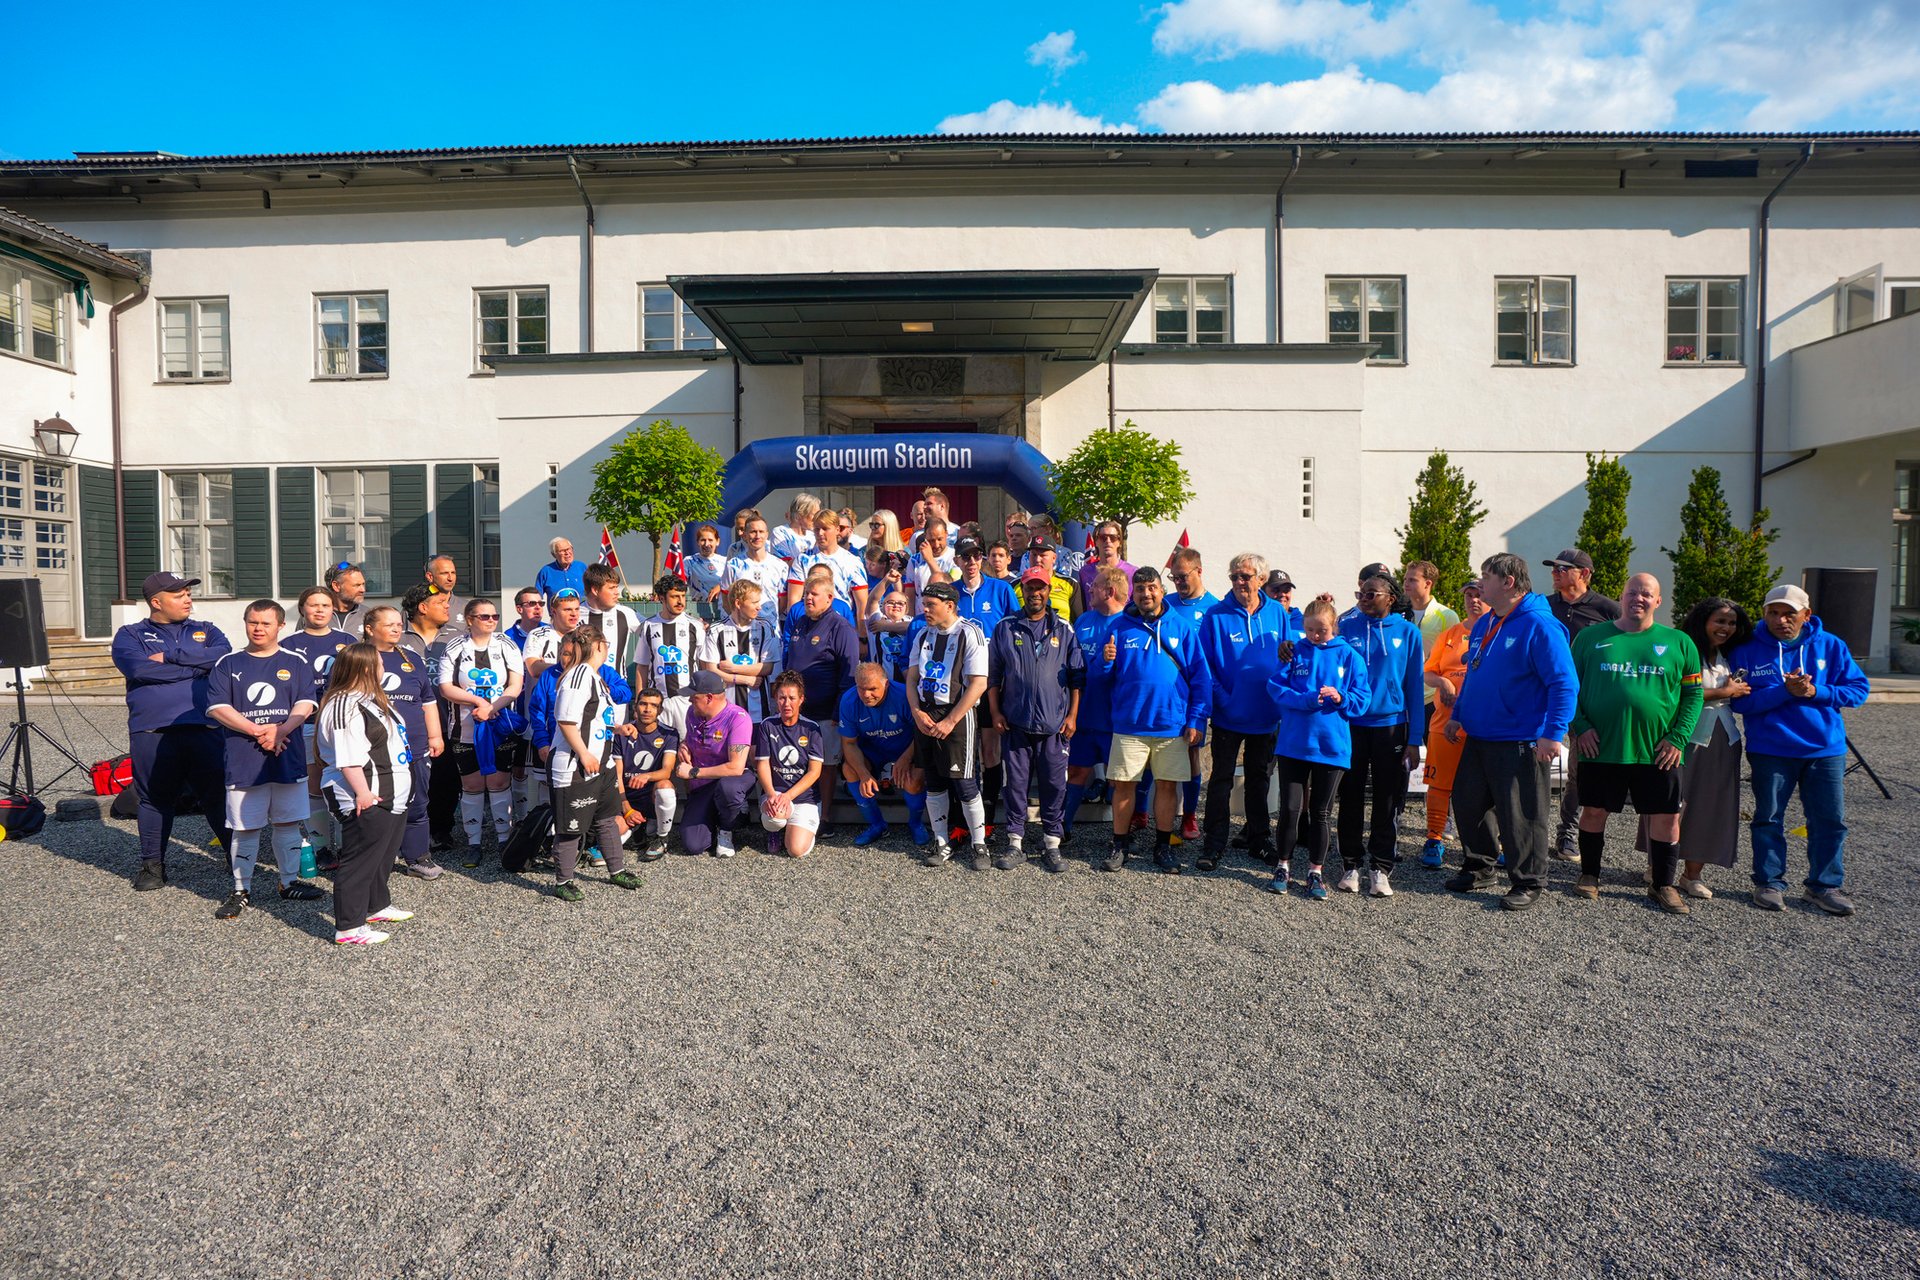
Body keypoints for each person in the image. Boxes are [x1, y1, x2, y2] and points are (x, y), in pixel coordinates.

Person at [1441, 553, 1578, 911]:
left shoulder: (1539, 625)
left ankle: (1528, 880)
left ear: (1508, 582)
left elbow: (1563, 683)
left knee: (1522, 815)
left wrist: (1553, 733)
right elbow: (1474, 673)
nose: (1479, 584)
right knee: (1470, 805)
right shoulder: (1488, 622)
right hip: (1479, 734)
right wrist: (1458, 714)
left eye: (1486, 576)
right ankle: (1479, 867)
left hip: (1520, 737)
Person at [1729, 584, 1871, 915]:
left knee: (1829, 820)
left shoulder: (1831, 645)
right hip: (1771, 750)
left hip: (1824, 750)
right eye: (1773, 612)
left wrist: (1815, 691)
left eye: (1789, 614)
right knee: (1768, 818)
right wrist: (1785, 691)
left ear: (1806, 615)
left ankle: (1824, 886)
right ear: (1764, 613)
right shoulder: (1747, 648)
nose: (1781, 620)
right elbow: (1739, 702)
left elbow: (1858, 690)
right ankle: (1769, 883)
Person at [1566, 573, 1704, 914]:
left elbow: (1693, 695)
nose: (1638, 599)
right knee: (1594, 811)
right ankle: (1589, 874)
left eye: (1646, 594)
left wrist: (1678, 737)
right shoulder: (1589, 638)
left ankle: (1663, 884)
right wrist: (1581, 727)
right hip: (1601, 746)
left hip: (1659, 751)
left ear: (1658, 601)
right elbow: (1568, 687)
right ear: (1621, 596)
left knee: (1666, 817)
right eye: (1632, 592)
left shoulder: (1679, 642)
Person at [112, 571, 234, 892]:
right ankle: (152, 866)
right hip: (153, 730)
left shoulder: (206, 630)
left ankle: (237, 857)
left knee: (217, 795)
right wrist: (197, 670)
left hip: (206, 725)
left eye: (188, 593)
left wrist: (170, 658)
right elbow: (139, 669)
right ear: (156, 602)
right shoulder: (130, 634)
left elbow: (224, 657)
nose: (188, 599)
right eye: (179, 595)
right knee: (154, 798)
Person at [206, 600, 325, 918]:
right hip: (244, 759)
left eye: (266, 623)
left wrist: (281, 730)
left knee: (287, 822)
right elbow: (218, 707)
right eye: (252, 622)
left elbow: (305, 703)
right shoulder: (228, 663)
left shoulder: (295, 662)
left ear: (281, 626)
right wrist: (258, 731)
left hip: (287, 756)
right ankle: (240, 889)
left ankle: (288, 883)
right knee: (245, 827)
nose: (258, 629)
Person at [1103, 567, 1211, 874]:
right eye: (1140, 589)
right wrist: (1105, 662)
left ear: (1162, 591)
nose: (1146, 594)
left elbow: (1201, 677)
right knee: (1124, 786)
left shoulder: (1181, 627)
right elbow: (1103, 678)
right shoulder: (1118, 627)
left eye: (1152, 588)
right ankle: (1120, 844)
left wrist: (1196, 720)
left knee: (1167, 786)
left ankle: (1163, 845)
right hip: (1130, 723)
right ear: (1132, 593)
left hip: (1171, 723)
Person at [1266, 599, 1370, 899]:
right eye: (1309, 629)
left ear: (1333, 626)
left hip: (1331, 746)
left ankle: (1315, 872)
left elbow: (1363, 699)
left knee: (1321, 813)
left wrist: (1341, 698)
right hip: (1294, 744)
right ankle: (1283, 866)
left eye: (1321, 630)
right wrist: (1306, 700)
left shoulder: (1349, 656)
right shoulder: (1294, 652)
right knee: (1289, 809)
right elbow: (1276, 688)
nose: (1314, 635)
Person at [1651, 598, 1754, 897]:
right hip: (1686, 736)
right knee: (1671, 805)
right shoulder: (1684, 650)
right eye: (1719, 621)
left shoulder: (1731, 654)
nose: (1726, 628)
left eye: (1732, 623)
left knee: (1711, 807)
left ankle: (1692, 874)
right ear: (1702, 621)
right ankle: (1659, 867)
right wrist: (1725, 691)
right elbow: (1672, 692)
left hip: (1724, 738)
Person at [315, 643, 417, 946]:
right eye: (380, 663)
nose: (384, 668)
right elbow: (348, 757)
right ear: (365, 668)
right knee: (359, 860)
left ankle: (376, 906)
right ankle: (349, 927)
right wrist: (362, 793)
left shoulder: (372, 699)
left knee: (382, 855)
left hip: (391, 792)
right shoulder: (343, 704)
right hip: (366, 794)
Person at [1197, 553, 1293, 869]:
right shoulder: (1216, 615)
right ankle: (1213, 843)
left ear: (1261, 579)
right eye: (1234, 576)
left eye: (1245, 576)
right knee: (1221, 780)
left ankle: (1258, 839)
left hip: (1266, 715)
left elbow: (1287, 657)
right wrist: (1223, 699)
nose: (1239, 582)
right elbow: (1204, 666)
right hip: (1228, 715)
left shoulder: (1277, 612)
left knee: (1258, 780)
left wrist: (1279, 695)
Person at [988, 568, 1085, 871]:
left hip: (1054, 726)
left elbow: (1077, 677)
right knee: (1015, 785)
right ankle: (1015, 843)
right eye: (1030, 588)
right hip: (1015, 723)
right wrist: (995, 711)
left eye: (1040, 588)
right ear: (1023, 591)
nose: (1035, 593)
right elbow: (993, 675)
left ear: (1048, 591)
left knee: (1054, 785)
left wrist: (1072, 716)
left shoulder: (1064, 629)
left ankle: (1052, 844)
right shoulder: (1005, 627)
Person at [1335, 574, 1426, 897]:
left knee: (1387, 798)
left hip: (1391, 726)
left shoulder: (1408, 632)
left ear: (1390, 598)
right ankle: (1350, 864)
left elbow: (1414, 687)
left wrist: (1415, 739)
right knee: (1350, 795)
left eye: (1371, 594)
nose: (1363, 598)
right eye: (1360, 593)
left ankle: (1381, 867)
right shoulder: (1346, 627)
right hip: (1352, 723)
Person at [545, 626, 641, 899]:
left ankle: (617, 870)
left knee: (607, 819)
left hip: (602, 764)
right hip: (575, 767)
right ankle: (563, 881)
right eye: (606, 644)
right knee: (570, 827)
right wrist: (584, 753)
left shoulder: (596, 676)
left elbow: (595, 718)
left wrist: (618, 728)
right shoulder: (577, 675)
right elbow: (566, 721)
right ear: (598, 646)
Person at [1544, 547, 1624, 859]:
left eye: (1562, 568)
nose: (1555, 573)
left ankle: (1567, 833)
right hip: (1544, 697)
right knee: (1534, 766)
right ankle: (1523, 832)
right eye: (1553, 568)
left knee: (1579, 773)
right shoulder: (1544, 605)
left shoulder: (1608, 609)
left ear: (1585, 574)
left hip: (1586, 702)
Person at [906, 581, 991, 869]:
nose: (925, 610)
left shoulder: (970, 633)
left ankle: (979, 844)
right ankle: (941, 841)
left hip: (957, 715)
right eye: (924, 604)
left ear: (950, 606)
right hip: (925, 715)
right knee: (933, 782)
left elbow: (978, 684)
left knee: (965, 783)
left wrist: (951, 720)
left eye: (931, 605)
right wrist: (917, 712)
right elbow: (912, 679)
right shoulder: (922, 635)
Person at [440, 597, 526, 860]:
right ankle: (473, 844)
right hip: (464, 729)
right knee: (473, 784)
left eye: (495, 616)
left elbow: (516, 685)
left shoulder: (506, 644)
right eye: (484, 616)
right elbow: (445, 687)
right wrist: (477, 702)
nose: (491, 621)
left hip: (499, 725)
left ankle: (503, 839)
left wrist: (493, 707)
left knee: (499, 781)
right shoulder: (455, 646)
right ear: (469, 620)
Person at [364, 605, 445, 878]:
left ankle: (418, 857)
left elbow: (428, 700)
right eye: (389, 624)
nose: (397, 629)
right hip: (373, 748)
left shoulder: (411, 658)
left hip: (414, 745)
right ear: (370, 629)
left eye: (399, 624)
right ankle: (376, 858)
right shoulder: (356, 657)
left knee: (418, 801)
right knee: (377, 804)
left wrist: (435, 735)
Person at [280, 586, 355, 871]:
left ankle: (349, 847)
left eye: (325, 605)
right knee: (314, 786)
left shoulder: (347, 641)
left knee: (346, 782)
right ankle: (322, 847)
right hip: (308, 724)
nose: (320, 610)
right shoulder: (289, 644)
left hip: (342, 723)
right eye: (313, 605)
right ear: (302, 609)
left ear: (333, 608)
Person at [1419, 581, 1489, 867]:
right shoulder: (1449, 635)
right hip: (1444, 722)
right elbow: (1427, 672)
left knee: (1487, 788)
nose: (1473, 600)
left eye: (1479, 594)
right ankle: (1434, 838)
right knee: (1439, 784)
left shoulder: (1498, 632)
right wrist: (1443, 682)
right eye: (1469, 595)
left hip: (1483, 726)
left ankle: (1489, 843)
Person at [783, 576, 860, 828]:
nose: (808, 597)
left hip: (827, 712)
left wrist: (839, 710)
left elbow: (850, 673)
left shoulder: (841, 627)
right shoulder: (800, 623)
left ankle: (824, 816)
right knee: (796, 762)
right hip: (798, 711)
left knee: (826, 765)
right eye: (806, 593)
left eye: (814, 594)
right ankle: (796, 812)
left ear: (829, 598)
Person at [1063, 565, 1128, 838]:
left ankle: (1120, 836)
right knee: (1077, 771)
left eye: (1096, 585)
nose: (1089, 589)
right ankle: (1062, 830)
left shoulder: (1129, 624)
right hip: (1084, 714)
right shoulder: (1084, 621)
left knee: (1119, 780)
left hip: (1115, 719)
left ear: (1109, 591)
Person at [838, 661, 930, 847]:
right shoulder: (849, 700)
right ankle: (877, 825)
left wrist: (906, 759)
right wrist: (864, 774)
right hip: (873, 753)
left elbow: (922, 733)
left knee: (914, 778)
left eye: (872, 689)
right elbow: (848, 743)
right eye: (861, 688)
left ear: (886, 684)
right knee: (850, 769)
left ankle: (915, 823)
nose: (866, 694)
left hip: (905, 750)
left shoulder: (904, 695)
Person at [400, 583, 461, 854]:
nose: (448, 606)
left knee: (446, 781)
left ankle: (441, 830)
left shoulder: (457, 637)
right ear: (423, 608)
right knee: (410, 782)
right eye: (440, 602)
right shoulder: (399, 637)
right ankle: (407, 833)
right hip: (409, 726)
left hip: (449, 722)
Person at [1166, 547, 1220, 842]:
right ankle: (1141, 813)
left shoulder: (1215, 609)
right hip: (1166, 694)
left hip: (1195, 696)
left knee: (1191, 752)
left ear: (1199, 571)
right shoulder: (1167, 604)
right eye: (1174, 577)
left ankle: (1189, 815)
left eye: (1183, 576)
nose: (1178, 582)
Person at [675, 670, 755, 857]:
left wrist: (693, 772)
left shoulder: (738, 718)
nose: (689, 700)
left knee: (728, 789)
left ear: (709, 698)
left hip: (731, 779)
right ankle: (714, 820)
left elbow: (735, 767)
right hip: (703, 785)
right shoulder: (692, 713)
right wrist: (683, 746)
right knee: (693, 845)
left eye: (694, 696)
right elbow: (691, 739)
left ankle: (728, 828)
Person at [752, 671, 826, 857]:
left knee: (796, 850)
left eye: (792, 698)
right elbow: (762, 764)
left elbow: (814, 772)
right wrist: (772, 794)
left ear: (801, 699)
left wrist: (788, 796)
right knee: (774, 819)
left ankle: (802, 827)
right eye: (782, 698)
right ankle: (774, 830)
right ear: (776, 699)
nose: (786, 703)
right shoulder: (767, 725)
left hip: (804, 798)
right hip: (775, 794)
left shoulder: (812, 728)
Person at [613, 687, 679, 860]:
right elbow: (617, 775)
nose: (647, 709)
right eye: (643, 704)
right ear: (635, 706)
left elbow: (667, 771)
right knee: (613, 832)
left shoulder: (669, 734)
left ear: (660, 710)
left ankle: (662, 837)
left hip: (651, 797)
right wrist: (626, 808)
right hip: (626, 798)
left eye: (653, 705)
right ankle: (636, 829)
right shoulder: (622, 733)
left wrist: (647, 776)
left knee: (665, 787)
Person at [701, 579, 780, 721]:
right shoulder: (716, 630)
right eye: (754, 603)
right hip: (725, 712)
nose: (759, 607)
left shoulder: (765, 628)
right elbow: (711, 671)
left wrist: (733, 668)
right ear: (738, 603)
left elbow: (767, 668)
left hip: (758, 711)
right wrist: (745, 679)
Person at [638, 572, 706, 734]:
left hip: (687, 700)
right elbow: (642, 666)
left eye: (682, 596)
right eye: (675, 596)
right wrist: (639, 701)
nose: (680, 601)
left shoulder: (695, 626)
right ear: (661, 598)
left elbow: (704, 665)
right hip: (658, 700)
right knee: (656, 745)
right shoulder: (649, 626)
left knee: (687, 745)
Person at [786, 508, 870, 635]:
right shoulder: (803, 560)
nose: (820, 533)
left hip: (840, 626)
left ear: (837, 529)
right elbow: (794, 600)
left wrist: (862, 636)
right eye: (816, 529)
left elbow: (862, 603)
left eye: (825, 528)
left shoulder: (853, 561)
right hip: (809, 626)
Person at [1402, 560, 1461, 708]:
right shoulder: (1398, 615)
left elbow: (1454, 659)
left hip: (1431, 696)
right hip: (1402, 695)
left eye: (1412, 580)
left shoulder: (1446, 615)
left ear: (1428, 584)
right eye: (1405, 579)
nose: (1406, 584)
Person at [583, 562, 639, 707]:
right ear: (595, 590)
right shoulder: (575, 614)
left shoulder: (625, 613)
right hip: (583, 689)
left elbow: (652, 631)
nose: (617, 592)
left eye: (616, 587)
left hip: (616, 692)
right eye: (611, 588)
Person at [722, 515, 788, 626]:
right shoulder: (733, 565)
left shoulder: (780, 566)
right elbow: (726, 600)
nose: (757, 536)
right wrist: (739, 622)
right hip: (742, 630)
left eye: (761, 532)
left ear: (766, 534)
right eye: (753, 532)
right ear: (745, 535)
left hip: (771, 631)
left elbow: (783, 602)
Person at [905, 523, 957, 614]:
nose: (936, 545)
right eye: (932, 540)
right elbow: (910, 595)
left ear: (946, 534)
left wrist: (930, 560)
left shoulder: (956, 557)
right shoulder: (915, 560)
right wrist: (910, 618)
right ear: (925, 537)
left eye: (940, 539)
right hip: (921, 615)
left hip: (945, 615)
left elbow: (950, 588)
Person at [1079, 521, 1136, 603]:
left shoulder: (1132, 572)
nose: (1108, 541)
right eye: (1103, 537)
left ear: (1119, 542)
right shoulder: (1085, 572)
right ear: (1096, 541)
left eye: (1113, 538)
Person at [1026, 538, 1082, 621]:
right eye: (1034, 555)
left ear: (1054, 558)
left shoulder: (1070, 584)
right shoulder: (1017, 584)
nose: (1037, 560)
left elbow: (1079, 621)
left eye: (1043, 555)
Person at [683, 524, 728, 621]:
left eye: (710, 540)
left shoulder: (726, 562)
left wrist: (720, 586)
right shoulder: (689, 561)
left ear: (717, 541)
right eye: (703, 540)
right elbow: (680, 583)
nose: (706, 544)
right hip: (698, 612)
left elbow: (733, 584)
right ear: (698, 542)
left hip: (722, 612)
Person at [424, 554, 471, 646]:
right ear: (430, 576)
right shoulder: (415, 607)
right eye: (444, 573)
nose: (450, 578)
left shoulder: (467, 607)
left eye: (453, 573)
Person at [770, 494, 821, 565]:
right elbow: (784, 563)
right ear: (800, 515)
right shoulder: (780, 532)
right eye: (814, 515)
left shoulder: (814, 535)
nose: (817, 518)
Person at [534, 536, 585, 603]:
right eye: (562, 551)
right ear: (554, 554)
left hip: (581, 609)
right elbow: (536, 597)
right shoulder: (546, 572)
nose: (567, 553)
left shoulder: (581, 567)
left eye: (569, 549)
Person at [326, 562, 370, 637]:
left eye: (363, 584)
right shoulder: (317, 615)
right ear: (336, 586)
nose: (363, 590)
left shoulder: (368, 616)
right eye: (357, 585)